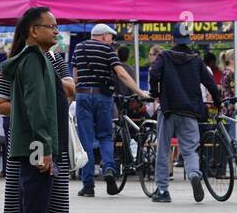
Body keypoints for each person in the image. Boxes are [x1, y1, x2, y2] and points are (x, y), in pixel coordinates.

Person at [0, 7, 75, 213]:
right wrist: (43, 147)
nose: (56, 31)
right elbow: (36, 108)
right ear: (34, 30)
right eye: (51, 26)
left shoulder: (42, 59)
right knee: (34, 202)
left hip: (38, 143)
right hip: (35, 145)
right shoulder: (32, 60)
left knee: (37, 200)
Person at [71, 22, 148, 197]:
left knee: (86, 141)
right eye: (111, 37)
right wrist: (139, 91)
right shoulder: (107, 51)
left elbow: (75, 76)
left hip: (83, 96)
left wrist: (75, 95)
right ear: (104, 36)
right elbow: (121, 74)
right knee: (105, 136)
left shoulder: (79, 48)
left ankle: (88, 185)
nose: (112, 41)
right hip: (103, 97)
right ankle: (108, 168)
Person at [151, 24, 218, 203]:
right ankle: (194, 173)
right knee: (189, 150)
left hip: (169, 109)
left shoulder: (164, 56)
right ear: (190, 39)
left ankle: (163, 190)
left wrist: (154, 92)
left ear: (172, 39)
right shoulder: (196, 60)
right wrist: (218, 102)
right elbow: (210, 83)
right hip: (190, 111)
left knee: (164, 149)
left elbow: (153, 73)